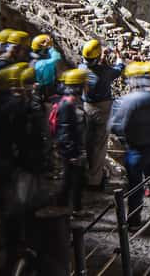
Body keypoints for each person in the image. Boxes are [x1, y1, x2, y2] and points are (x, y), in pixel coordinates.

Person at [0, 62, 45, 275]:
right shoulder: (19, 108)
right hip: (22, 165)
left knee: (15, 208)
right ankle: (22, 250)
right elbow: (28, 138)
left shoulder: (1, 106)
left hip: (11, 164)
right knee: (21, 206)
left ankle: (17, 245)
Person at [108, 61, 150, 227]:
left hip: (135, 150)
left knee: (135, 186)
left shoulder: (125, 101)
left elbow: (116, 126)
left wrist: (127, 138)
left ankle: (135, 219)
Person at [78, 39, 124, 190]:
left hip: (87, 107)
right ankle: (94, 181)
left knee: (89, 141)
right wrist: (118, 55)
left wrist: (101, 59)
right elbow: (119, 68)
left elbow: (95, 67)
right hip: (102, 109)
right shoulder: (104, 73)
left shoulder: (81, 68)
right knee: (99, 145)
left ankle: (90, 174)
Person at [52, 68, 89, 212]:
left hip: (71, 149)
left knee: (72, 180)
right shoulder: (68, 104)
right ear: (78, 86)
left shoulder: (70, 102)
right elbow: (65, 130)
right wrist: (73, 153)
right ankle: (71, 210)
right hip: (70, 151)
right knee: (72, 180)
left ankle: (70, 208)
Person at [30, 34, 64, 101]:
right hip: (46, 89)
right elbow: (56, 58)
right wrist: (51, 47)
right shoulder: (43, 63)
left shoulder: (33, 61)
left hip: (41, 87)